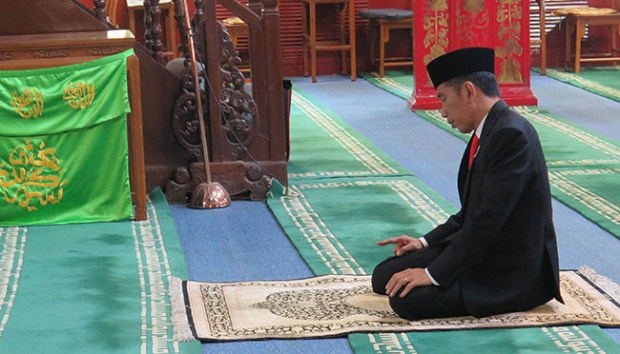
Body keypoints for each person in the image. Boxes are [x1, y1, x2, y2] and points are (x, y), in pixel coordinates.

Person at [371, 47, 563, 320]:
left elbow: (487, 222)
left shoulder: (511, 135)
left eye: (444, 99)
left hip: (510, 271)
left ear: (470, 91)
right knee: (384, 276)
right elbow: (471, 212)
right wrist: (424, 243)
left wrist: (431, 273)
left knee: (406, 301)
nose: (442, 110)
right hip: (484, 249)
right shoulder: (489, 130)